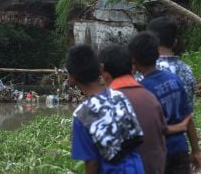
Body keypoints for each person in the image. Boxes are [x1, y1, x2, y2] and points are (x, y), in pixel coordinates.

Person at [99, 44, 192, 174]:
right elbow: (161, 130)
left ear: (102, 70)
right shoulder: (149, 96)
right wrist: (181, 127)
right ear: (132, 67)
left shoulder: (103, 104)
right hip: (168, 157)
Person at [128, 32, 200, 174]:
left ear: (134, 60)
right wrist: (196, 151)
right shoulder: (174, 79)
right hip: (180, 149)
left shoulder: (142, 90)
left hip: (158, 155)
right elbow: (189, 118)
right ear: (157, 54)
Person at [67, 44, 144, 173]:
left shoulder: (82, 115)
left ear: (72, 78)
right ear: (101, 68)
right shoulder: (120, 96)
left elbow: (92, 163)